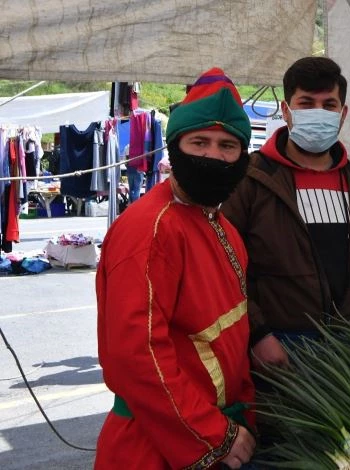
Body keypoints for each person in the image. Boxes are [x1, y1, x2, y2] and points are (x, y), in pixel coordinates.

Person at [95, 68, 256, 469]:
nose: (213, 156)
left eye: (227, 146)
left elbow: (232, 340)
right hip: (157, 446)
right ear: (174, 146)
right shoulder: (149, 229)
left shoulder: (223, 227)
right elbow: (136, 355)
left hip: (216, 435)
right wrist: (213, 434)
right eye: (199, 142)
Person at [221, 57, 350, 368]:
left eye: (329, 104)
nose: (319, 112)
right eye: (306, 103)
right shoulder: (250, 178)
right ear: (286, 111)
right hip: (281, 345)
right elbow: (226, 266)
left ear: (343, 114)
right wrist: (257, 334)